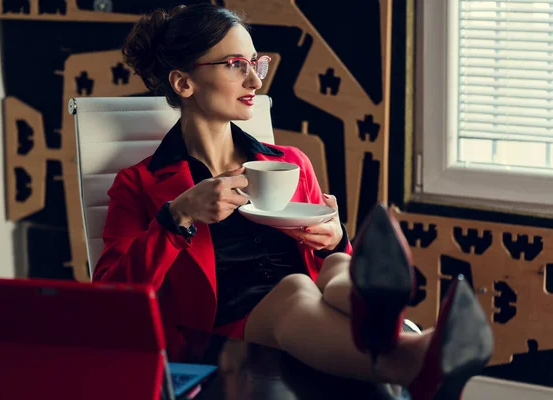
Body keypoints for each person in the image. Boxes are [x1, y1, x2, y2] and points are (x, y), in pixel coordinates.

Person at [93, 4, 494, 398]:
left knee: (338, 266)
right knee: (294, 291)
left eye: (256, 63)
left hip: (311, 312)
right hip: (223, 333)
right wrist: (178, 215)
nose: (255, 81)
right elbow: (113, 298)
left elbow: (321, 259)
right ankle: (414, 354)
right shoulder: (140, 184)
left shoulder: (288, 162)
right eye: (236, 64)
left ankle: (389, 331)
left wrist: (334, 239)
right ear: (184, 83)